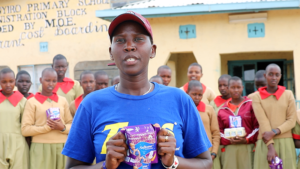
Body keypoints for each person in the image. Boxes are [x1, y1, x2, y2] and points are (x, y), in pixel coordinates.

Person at [62, 11, 213, 169]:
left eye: (139, 39)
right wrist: (106, 166)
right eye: (120, 40)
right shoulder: (92, 104)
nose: (129, 46)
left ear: (153, 50)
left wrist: (173, 162)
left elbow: (206, 163)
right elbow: (72, 167)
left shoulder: (179, 100)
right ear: (111, 53)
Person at [22, 68, 73, 169]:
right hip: (40, 147)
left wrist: (62, 127)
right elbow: (25, 130)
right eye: (47, 80)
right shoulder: (32, 102)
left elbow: (72, 125)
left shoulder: (63, 101)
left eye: (54, 81)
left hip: (62, 147)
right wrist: (46, 128)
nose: (51, 84)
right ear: (40, 80)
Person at [251, 64, 296, 169]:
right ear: (265, 75)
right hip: (265, 143)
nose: (274, 78)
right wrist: (270, 146)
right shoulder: (257, 96)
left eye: (277, 75)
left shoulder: (288, 94)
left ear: (280, 76)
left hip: (286, 142)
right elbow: (263, 122)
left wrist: (274, 132)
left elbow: (291, 120)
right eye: (270, 74)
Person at [218, 76, 259, 169]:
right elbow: (219, 131)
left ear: (242, 88)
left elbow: (257, 127)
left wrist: (247, 140)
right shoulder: (222, 110)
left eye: (238, 87)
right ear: (228, 88)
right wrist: (229, 140)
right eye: (232, 87)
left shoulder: (251, 104)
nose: (236, 90)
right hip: (230, 149)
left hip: (247, 147)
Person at [187, 80, 220, 169]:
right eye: (194, 94)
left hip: (208, 153)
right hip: (189, 155)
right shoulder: (183, 110)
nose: (197, 97)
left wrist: (214, 152)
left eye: (200, 95)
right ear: (187, 93)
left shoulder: (209, 109)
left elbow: (216, 133)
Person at [0, 68, 29, 169]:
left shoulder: (22, 101)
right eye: (4, 82)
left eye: (11, 81)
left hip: (18, 142)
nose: (8, 85)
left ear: (15, 82)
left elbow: (26, 124)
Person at [16, 70, 34, 148]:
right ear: (15, 82)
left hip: (33, 136)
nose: (24, 84)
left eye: (27, 81)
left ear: (31, 83)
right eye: (21, 81)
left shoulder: (35, 99)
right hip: (17, 136)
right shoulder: (11, 99)